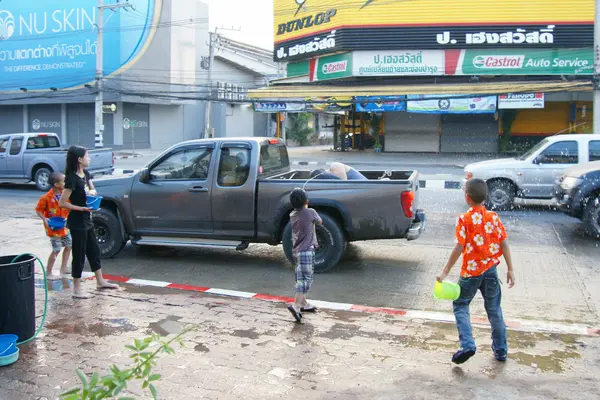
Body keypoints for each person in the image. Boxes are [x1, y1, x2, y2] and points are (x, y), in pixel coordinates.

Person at [437, 178, 516, 364]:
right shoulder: (493, 217)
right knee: (494, 310)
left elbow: (459, 246)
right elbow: (504, 242)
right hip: (490, 270)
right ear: (485, 197)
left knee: (461, 304)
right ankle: (501, 351)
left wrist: (445, 271)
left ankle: (468, 345)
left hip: (471, 273)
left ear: (467, 198)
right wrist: (510, 268)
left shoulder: (464, 219)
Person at [58, 145, 118, 299]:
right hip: (77, 221)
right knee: (79, 254)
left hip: (88, 219)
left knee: (94, 250)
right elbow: (63, 203)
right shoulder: (71, 178)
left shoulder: (85, 174)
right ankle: (76, 289)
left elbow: (92, 190)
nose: (89, 159)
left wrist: (92, 194)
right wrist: (81, 208)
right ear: (79, 159)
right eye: (87, 156)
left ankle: (100, 281)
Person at [287, 188, 322, 322]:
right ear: (306, 201)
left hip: (297, 252)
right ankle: (296, 306)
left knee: (300, 277)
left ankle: (303, 303)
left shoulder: (292, 215)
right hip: (307, 251)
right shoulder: (311, 212)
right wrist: (308, 208)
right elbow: (320, 221)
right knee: (306, 279)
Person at [35, 172, 71, 280]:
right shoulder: (46, 198)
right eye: (64, 181)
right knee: (56, 249)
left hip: (64, 227)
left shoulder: (66, 195)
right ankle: (48, 272)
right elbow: (38, 210)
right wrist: (44, 219)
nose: (66, 183)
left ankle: (64, 267)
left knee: (69, 246)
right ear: (56, 184)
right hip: (53, 228)